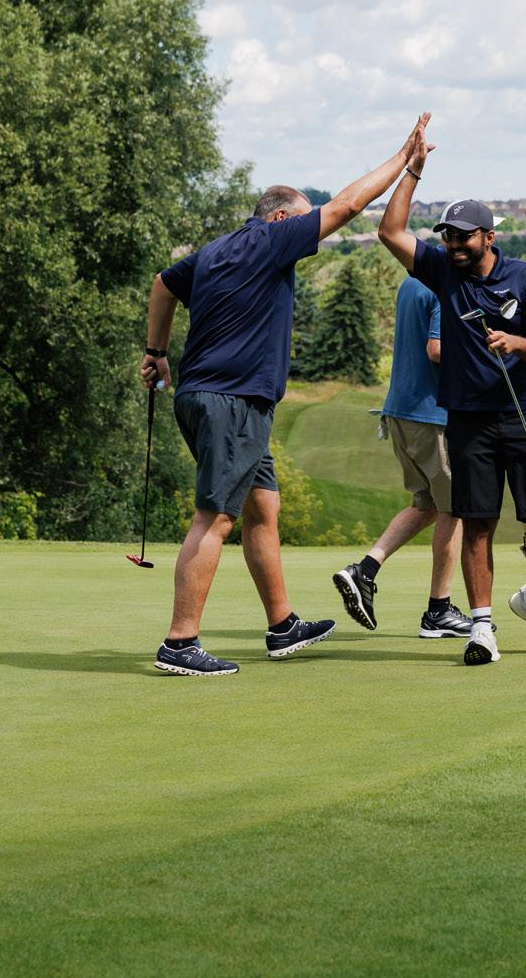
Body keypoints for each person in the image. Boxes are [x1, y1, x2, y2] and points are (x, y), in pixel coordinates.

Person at [140, 115, 430, 676]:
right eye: (303, 223)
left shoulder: (214, 251)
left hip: (209, 397)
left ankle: (282, 625)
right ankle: (179, 642)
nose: (308, 240)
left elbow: (162, 284)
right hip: (233, 401)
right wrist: (404, 161)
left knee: (262, 506)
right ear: (279, 218)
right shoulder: (272, 239)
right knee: (215, 517)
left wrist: (156, 352)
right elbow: (348, 205)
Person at [373, 113, 526, 666]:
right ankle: (481, 628)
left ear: (490, 236)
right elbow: (390, 232)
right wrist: (412, 170)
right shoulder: (444, 272)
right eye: (449, 235)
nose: (454, 243)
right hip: (467, 418)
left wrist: (516, 342)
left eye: (464, 236)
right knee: (477, 523)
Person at [332, 276, 471, 640]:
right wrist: (483, 351)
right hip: (433, 417)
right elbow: (436, 349)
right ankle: (439, 611)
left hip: (400, 413)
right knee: (454, 509)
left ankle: (364, 570)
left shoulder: (412, 282)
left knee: (426, 504)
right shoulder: (447, 286)